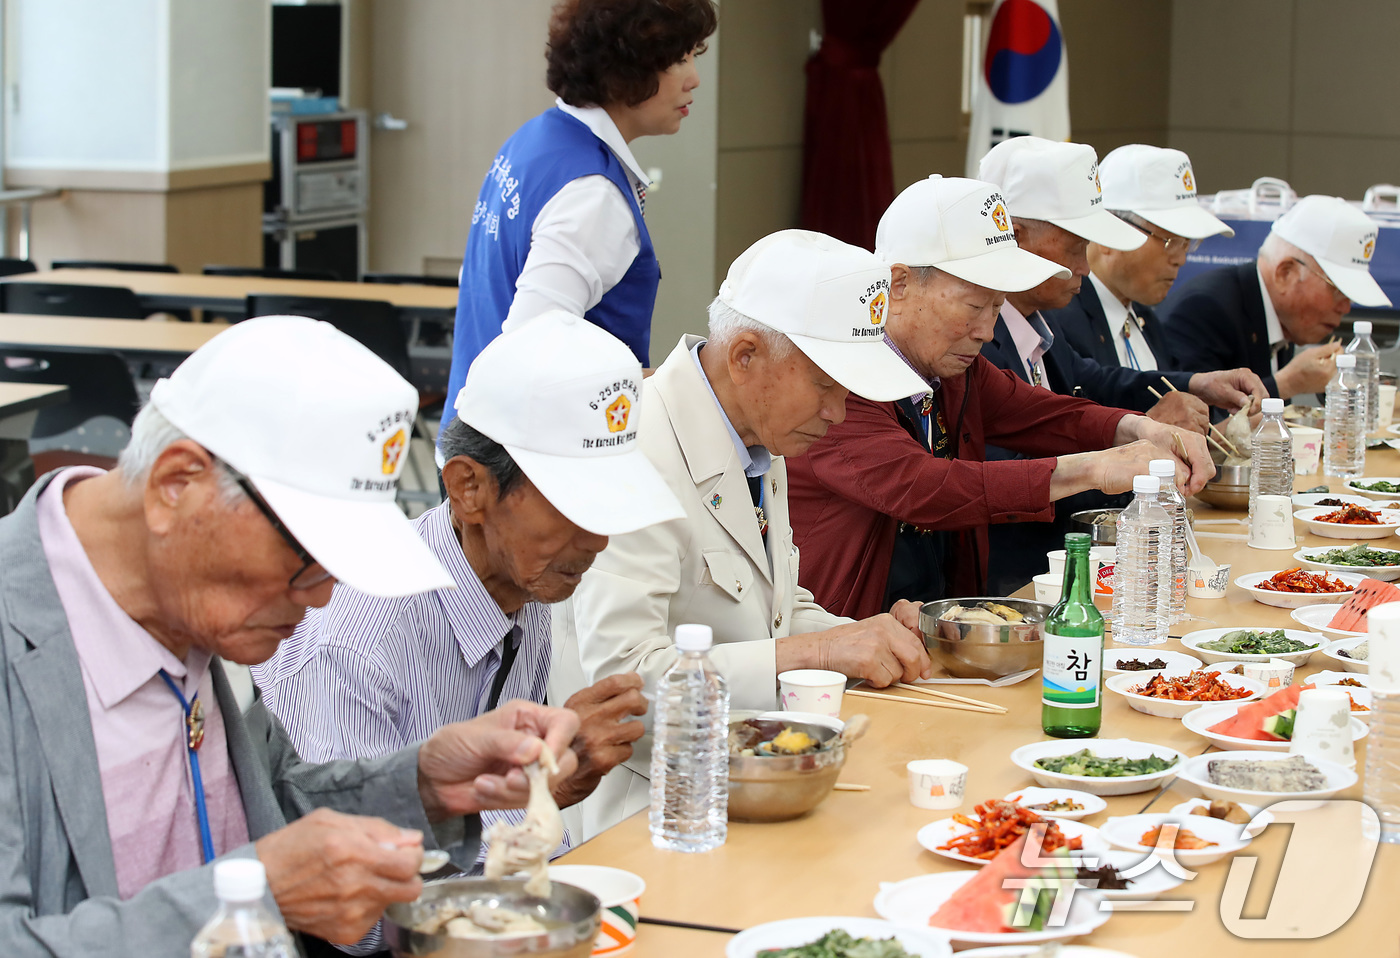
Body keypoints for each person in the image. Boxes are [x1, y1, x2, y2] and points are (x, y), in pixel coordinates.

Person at [0, 316, 584, 957]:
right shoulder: (25, 637)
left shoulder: (184, 609)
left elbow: (268, 807)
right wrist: (250, 900)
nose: (322, 599)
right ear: (176, 485)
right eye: (307, 560)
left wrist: (423, 787)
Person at [252, 312, 684, 866]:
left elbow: (488, 827)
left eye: (611, 510)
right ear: (469, 489)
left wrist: (544, 785)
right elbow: (350, 908)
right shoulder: (358, 643)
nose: (598, 540)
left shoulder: (521, 588)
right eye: (575, 508)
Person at [550, 230, 934, 837]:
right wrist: (816, 654)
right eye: (825, 384)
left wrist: (864, 635)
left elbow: (775, 610)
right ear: (745, 356)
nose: (838, 413)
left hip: (752, 775)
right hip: (647, 811)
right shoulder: (637, 449)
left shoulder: (757, 435)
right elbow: (621, 686)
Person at [785, 176, 1211, 617]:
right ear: (899, 284)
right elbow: (925, 488)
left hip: (934, 620)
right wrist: (1096, 467)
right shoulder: (839, 380)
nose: (987, 332)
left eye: (996, 308)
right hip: (843, 640)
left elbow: (1042, 413)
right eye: (973, 307)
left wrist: (1142, 429)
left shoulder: (949, 367)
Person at [440, 0, 719, 450]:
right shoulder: (593, 193)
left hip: (475, 440)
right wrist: (674, 385)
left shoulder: (535, 139)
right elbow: (530, 358)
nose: (694, 78)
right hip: (529, 466)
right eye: (679, 59)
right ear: (625, 68)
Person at [976, 137, 1265, 435]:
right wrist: (1138, 435)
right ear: (1015, 237)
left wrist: (1197, 384)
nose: (1085, 267)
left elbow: (1096, 382)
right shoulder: (976, 343)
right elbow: (1009, 466)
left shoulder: (1039, 323)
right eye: (1075, 248)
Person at [1163, 193, 1390, 399]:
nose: (1346, 307)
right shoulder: (1206, 310)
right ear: (1285, 273)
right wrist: (1286, 384)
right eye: (1338, 290)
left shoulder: (1281, 316)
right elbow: (1198, 426)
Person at [1049, 144, 1235, 376]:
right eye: (1169, 240)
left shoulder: (1146, 320)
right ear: (1110, 234)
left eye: (1187, 243)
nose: (1180, 258)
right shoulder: (1061, 324)